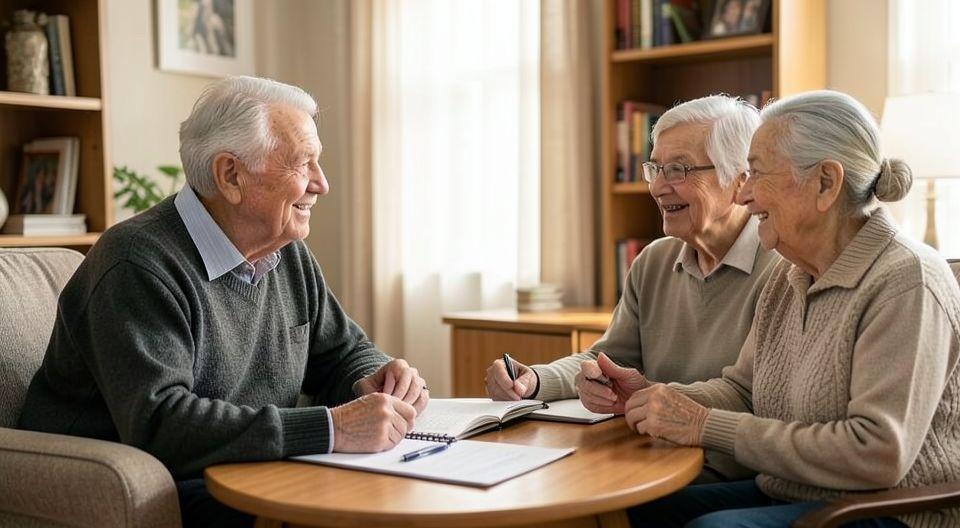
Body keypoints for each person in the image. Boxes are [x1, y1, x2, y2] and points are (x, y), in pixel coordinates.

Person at [18, 76, 429, 528]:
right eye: (303, 163)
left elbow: (342, 352)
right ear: (230, 175)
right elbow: (162, 422)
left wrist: (373, 378)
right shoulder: (136, 262)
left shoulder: (286, 254)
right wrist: (331, 428)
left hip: (251, 468)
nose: (321, 184)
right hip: (160, 482)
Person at [622, 90, 960, 527]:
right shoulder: (791, 275)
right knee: (631, 511)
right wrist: (649, 398)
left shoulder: (906, 280)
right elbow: (743, 392)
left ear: (825, 183)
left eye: (756, 174)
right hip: (798, 490)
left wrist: (704, 425)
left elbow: (877, 454)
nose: (742, 196)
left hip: (897, 509)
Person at [485, 94, 782, 482]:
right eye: (654, 168)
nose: (658, 186)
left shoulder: (781, 268)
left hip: (726, 473)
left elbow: (752, 396)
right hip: (651, 454)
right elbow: (610, 357)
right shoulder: (654, 261)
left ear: (739, 179)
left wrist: (648, 393)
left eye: (678, 170)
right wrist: (535, 379)